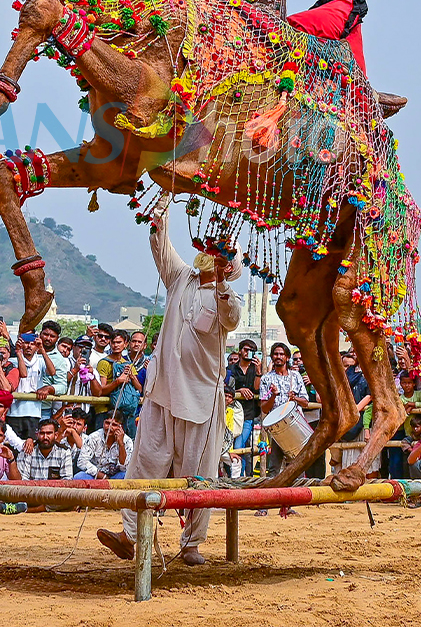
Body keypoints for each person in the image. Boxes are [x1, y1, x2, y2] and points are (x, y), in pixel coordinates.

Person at [97, 195, 241, 565]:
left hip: (201, 400)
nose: (213, 257)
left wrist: (221, 281)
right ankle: (130, 535)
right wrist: (163, 199)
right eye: (213, 252)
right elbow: (158, 240)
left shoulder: (228, 296)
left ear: (229, 266)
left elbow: (231, 318)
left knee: (199, 474)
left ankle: (191, 544)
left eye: (222, 257)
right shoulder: (180, 277)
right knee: (144, 463)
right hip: (161, 392)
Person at [259, 343, 309, 481]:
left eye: (282, 354)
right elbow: (264, 408)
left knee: (298, 465)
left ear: (287, 357)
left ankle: (299, 492)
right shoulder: (266, 379)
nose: (278, 356)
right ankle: (272, 492)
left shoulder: (296, 376)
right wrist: (273, 396)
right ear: (272, 357)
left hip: (295, 425)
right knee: (274, 466)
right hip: (277, 428)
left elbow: (305, 402)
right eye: (276, 354)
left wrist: (294, 398)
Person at [95, 330, 142, 440]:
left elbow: (139, 388)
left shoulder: (128, 364)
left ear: (125, 344)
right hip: (105, 411)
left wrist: (131, 376)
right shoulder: (104, 363)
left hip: (124, 412)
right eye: (113, 342)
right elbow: (101, 390)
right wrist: (118, 381)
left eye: (119, 342)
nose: (116, 345)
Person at [227, 339, 261, 476]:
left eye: (251, 350)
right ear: (240, 350)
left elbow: (257, 389)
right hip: (231, 413)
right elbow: (226, 388)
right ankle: (236, 476)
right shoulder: (231, 369)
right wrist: (238, 391)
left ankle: (239, 478)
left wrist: (258, 371)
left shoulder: (255, 368)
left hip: (248, 414)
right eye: (246, 349)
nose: (248, 353)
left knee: (239, 446)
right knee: (228, 447)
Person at [8, 334, 45, 441]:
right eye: (26, 343)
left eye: (33, 344)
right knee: (13, 444)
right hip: (14, 411)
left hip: (33, 411)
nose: (29, 346)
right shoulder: (13, 361)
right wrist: (18, 353)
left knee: (30, 444)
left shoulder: (41, 361)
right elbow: (23, 374)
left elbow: (52, 372)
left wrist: (42, 350)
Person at [74, 413, 133, 480]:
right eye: (107, 423)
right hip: (95, 475)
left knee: (126, 476)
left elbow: (125, 467)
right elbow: (82, 461)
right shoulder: (94, 437)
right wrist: (102, 476)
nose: (109, 427)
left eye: (114, 425)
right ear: (103, 423)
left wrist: (121, 444)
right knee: (79, 477)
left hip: (116, 477)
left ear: (120, 427)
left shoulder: (127, 441)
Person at [35, 321, 69, 422]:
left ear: (57, 338)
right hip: (21, 404)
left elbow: (62, 386)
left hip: (43, 408)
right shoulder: (29, 349)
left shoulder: (59, 359)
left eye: (52, 336)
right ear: (40, 334)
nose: (48, 338)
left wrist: (49, 388)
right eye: (45, 334)